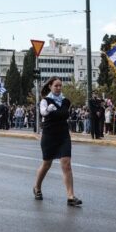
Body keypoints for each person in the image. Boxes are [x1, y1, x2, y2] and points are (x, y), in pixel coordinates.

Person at [33, 77, 81, 206]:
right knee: (46, 163)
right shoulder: (45, 101)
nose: (59, 88)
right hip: (49, 135)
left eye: (60, 86)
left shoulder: (66, 101)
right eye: (56, 86)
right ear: (50, 86)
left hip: (63, 135)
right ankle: (37, 187)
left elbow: (65, 114)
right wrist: (48, 109)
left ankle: (70, 196)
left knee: (67, 164)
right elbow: (43, 113)